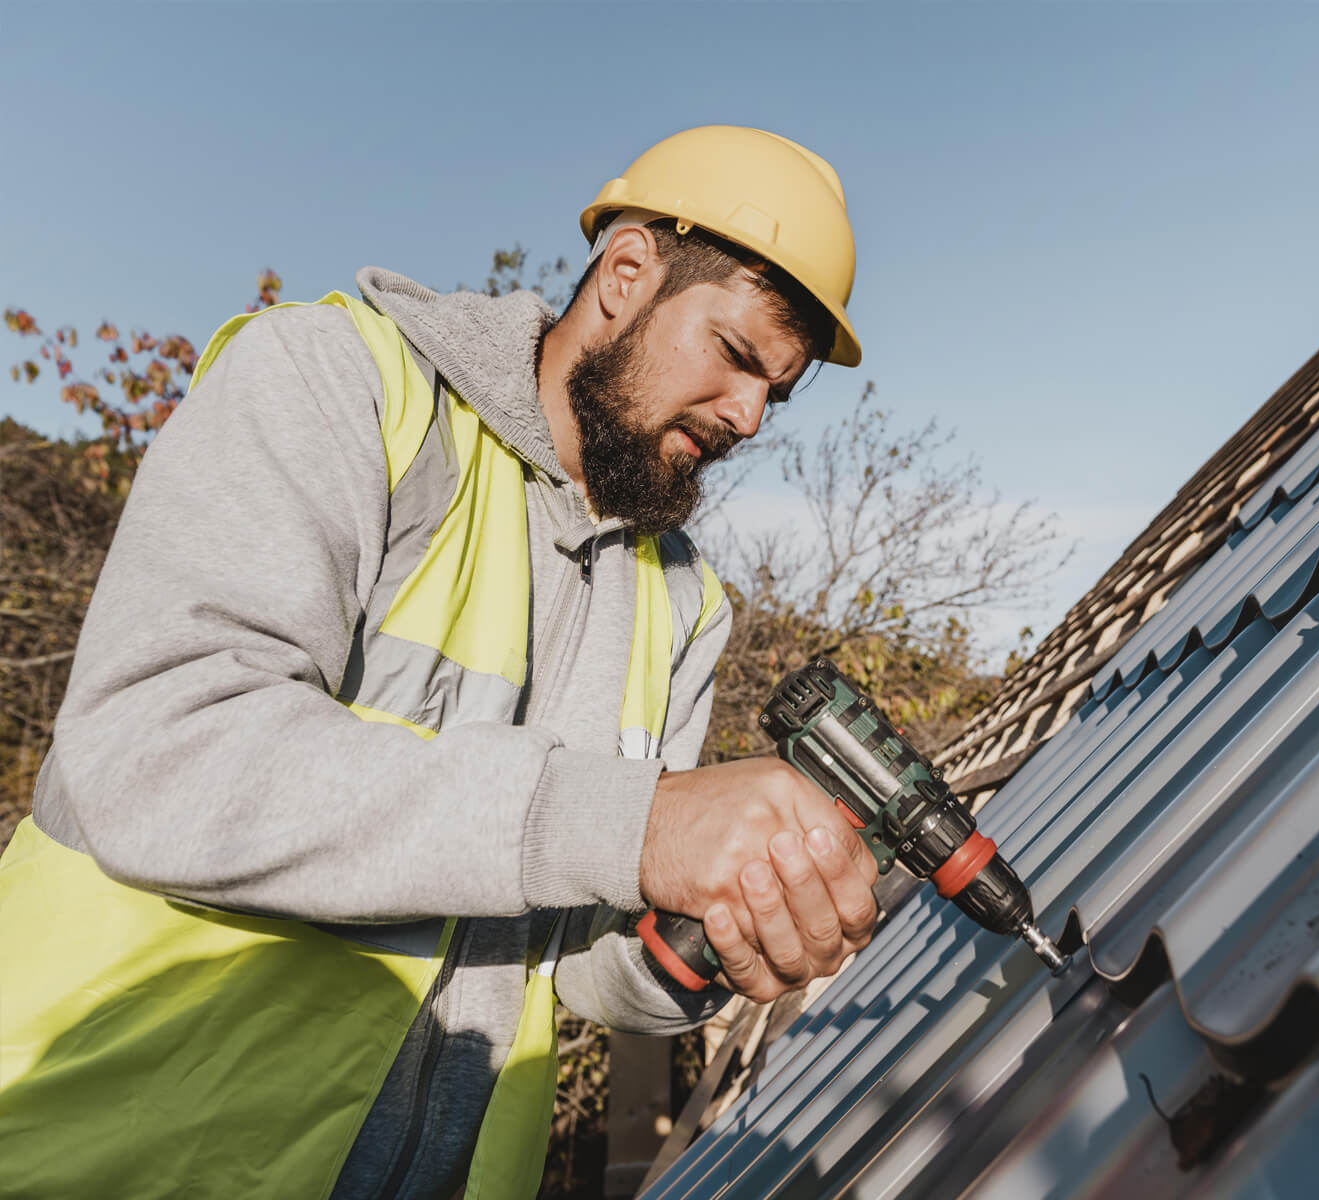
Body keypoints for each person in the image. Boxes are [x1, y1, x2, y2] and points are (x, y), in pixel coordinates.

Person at [0, 125, 876, 1200]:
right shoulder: (339, 385)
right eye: (737, 356)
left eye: (775, 394)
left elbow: (580, 957)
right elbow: (157, 753)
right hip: (105, 1158)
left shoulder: (683, 600)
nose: (748, 416)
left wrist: (700, 943)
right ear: (630, 272)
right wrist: (637, 822)